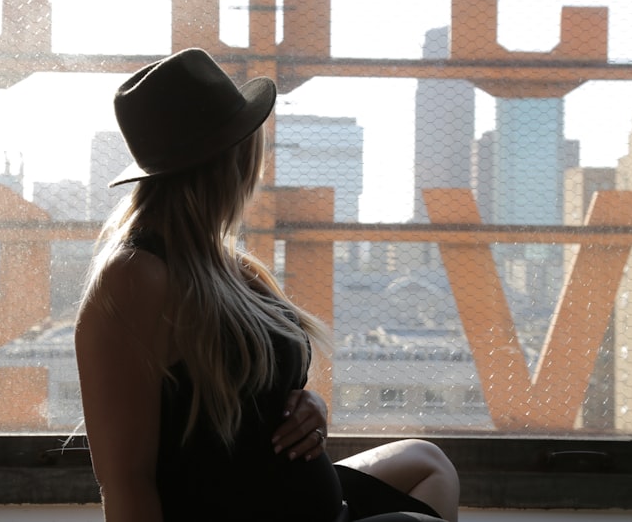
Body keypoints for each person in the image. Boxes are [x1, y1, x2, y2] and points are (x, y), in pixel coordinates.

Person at [75, 48, 460, 522]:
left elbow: (265, 388)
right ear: (229, 157)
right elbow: (125, 479)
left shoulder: (231, 268)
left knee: (429, 463)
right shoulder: (135, 276)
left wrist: (309, 407)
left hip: (308, 503)